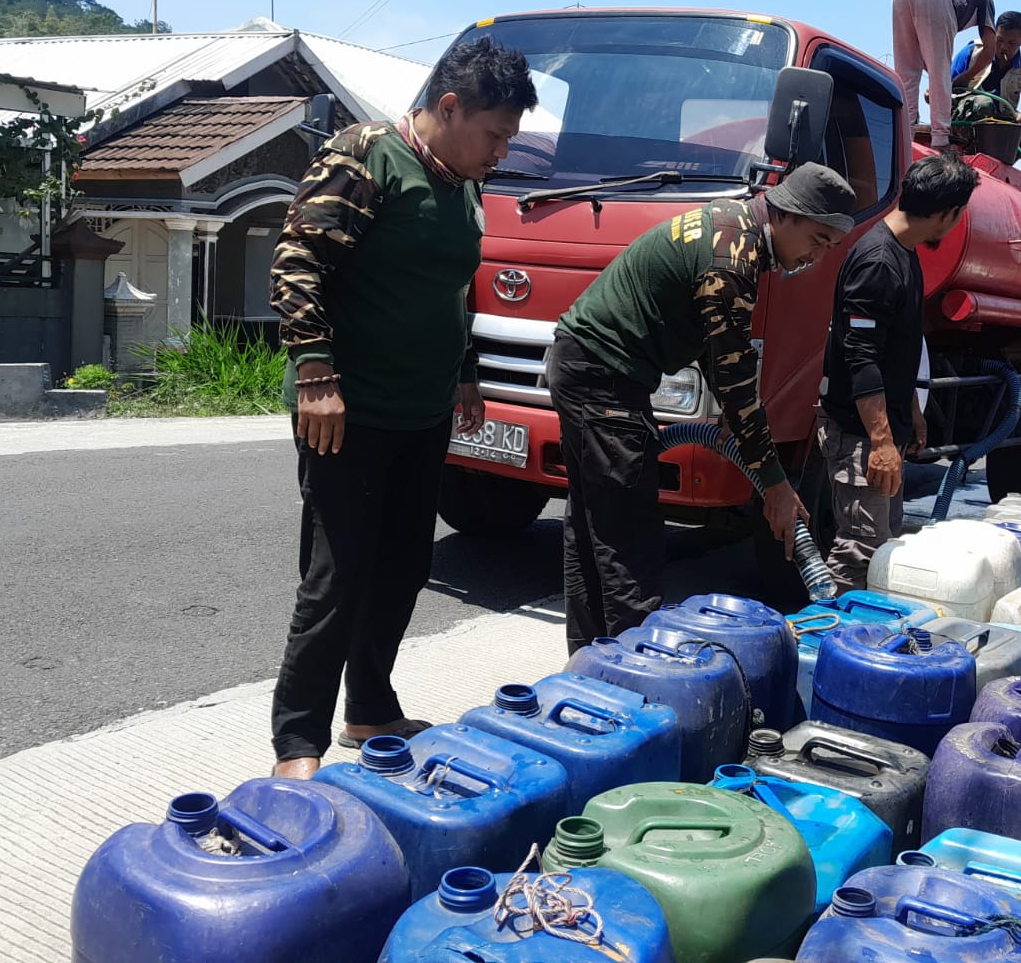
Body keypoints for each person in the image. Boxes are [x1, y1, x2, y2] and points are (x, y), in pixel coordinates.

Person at [266, 39, 537, 779]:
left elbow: (456, 290)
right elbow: (298, 262)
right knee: (338, 576)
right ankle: (297, 742)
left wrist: (467, 375)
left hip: (423, 410)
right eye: (494, 135)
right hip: (348, 411)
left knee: (403, 566)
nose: (501, 152)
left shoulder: (462, 183)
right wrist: (316, 372)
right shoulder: (368, 155)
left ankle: (371, 708)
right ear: (448, 108)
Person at [552, 162, 858, 653]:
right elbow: (737, 389)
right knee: (628, 542)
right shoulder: (732, 259)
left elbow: (719, 362)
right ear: (787, 214)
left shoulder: (732, 222)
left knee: (595, 529)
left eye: (829, 247)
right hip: (603, 377)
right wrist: (776, 486)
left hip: (588, 367)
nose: (816, 257)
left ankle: (591, 662)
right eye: (817, 239)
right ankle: (636, 676)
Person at [818, 155, 981, 592]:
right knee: (861, 551)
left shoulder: (905, 255)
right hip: (859, 435)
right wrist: (881, 441)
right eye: (959, 214)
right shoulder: (877, 261)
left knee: (884, 548)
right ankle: (826, 647)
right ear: (947, 213)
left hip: (882, 429)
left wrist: (912, 412)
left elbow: (898, 351)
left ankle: (863, 641)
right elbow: (861, 357)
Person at [891, 0, 996, 151]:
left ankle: (904, 137)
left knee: (905, 71)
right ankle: (940, 141)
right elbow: (989, 50)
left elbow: (921, 56)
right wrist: (964, 77)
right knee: (940, 73)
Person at [949, 11, 1021, 151]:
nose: (1004, 47)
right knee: (984, 103)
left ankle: (1001, 161)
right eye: (999, 40)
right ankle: (967, 150)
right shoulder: (973, 52)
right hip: (964, 121)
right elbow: (946, 84)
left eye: (1011, 43)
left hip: (1000, 124)